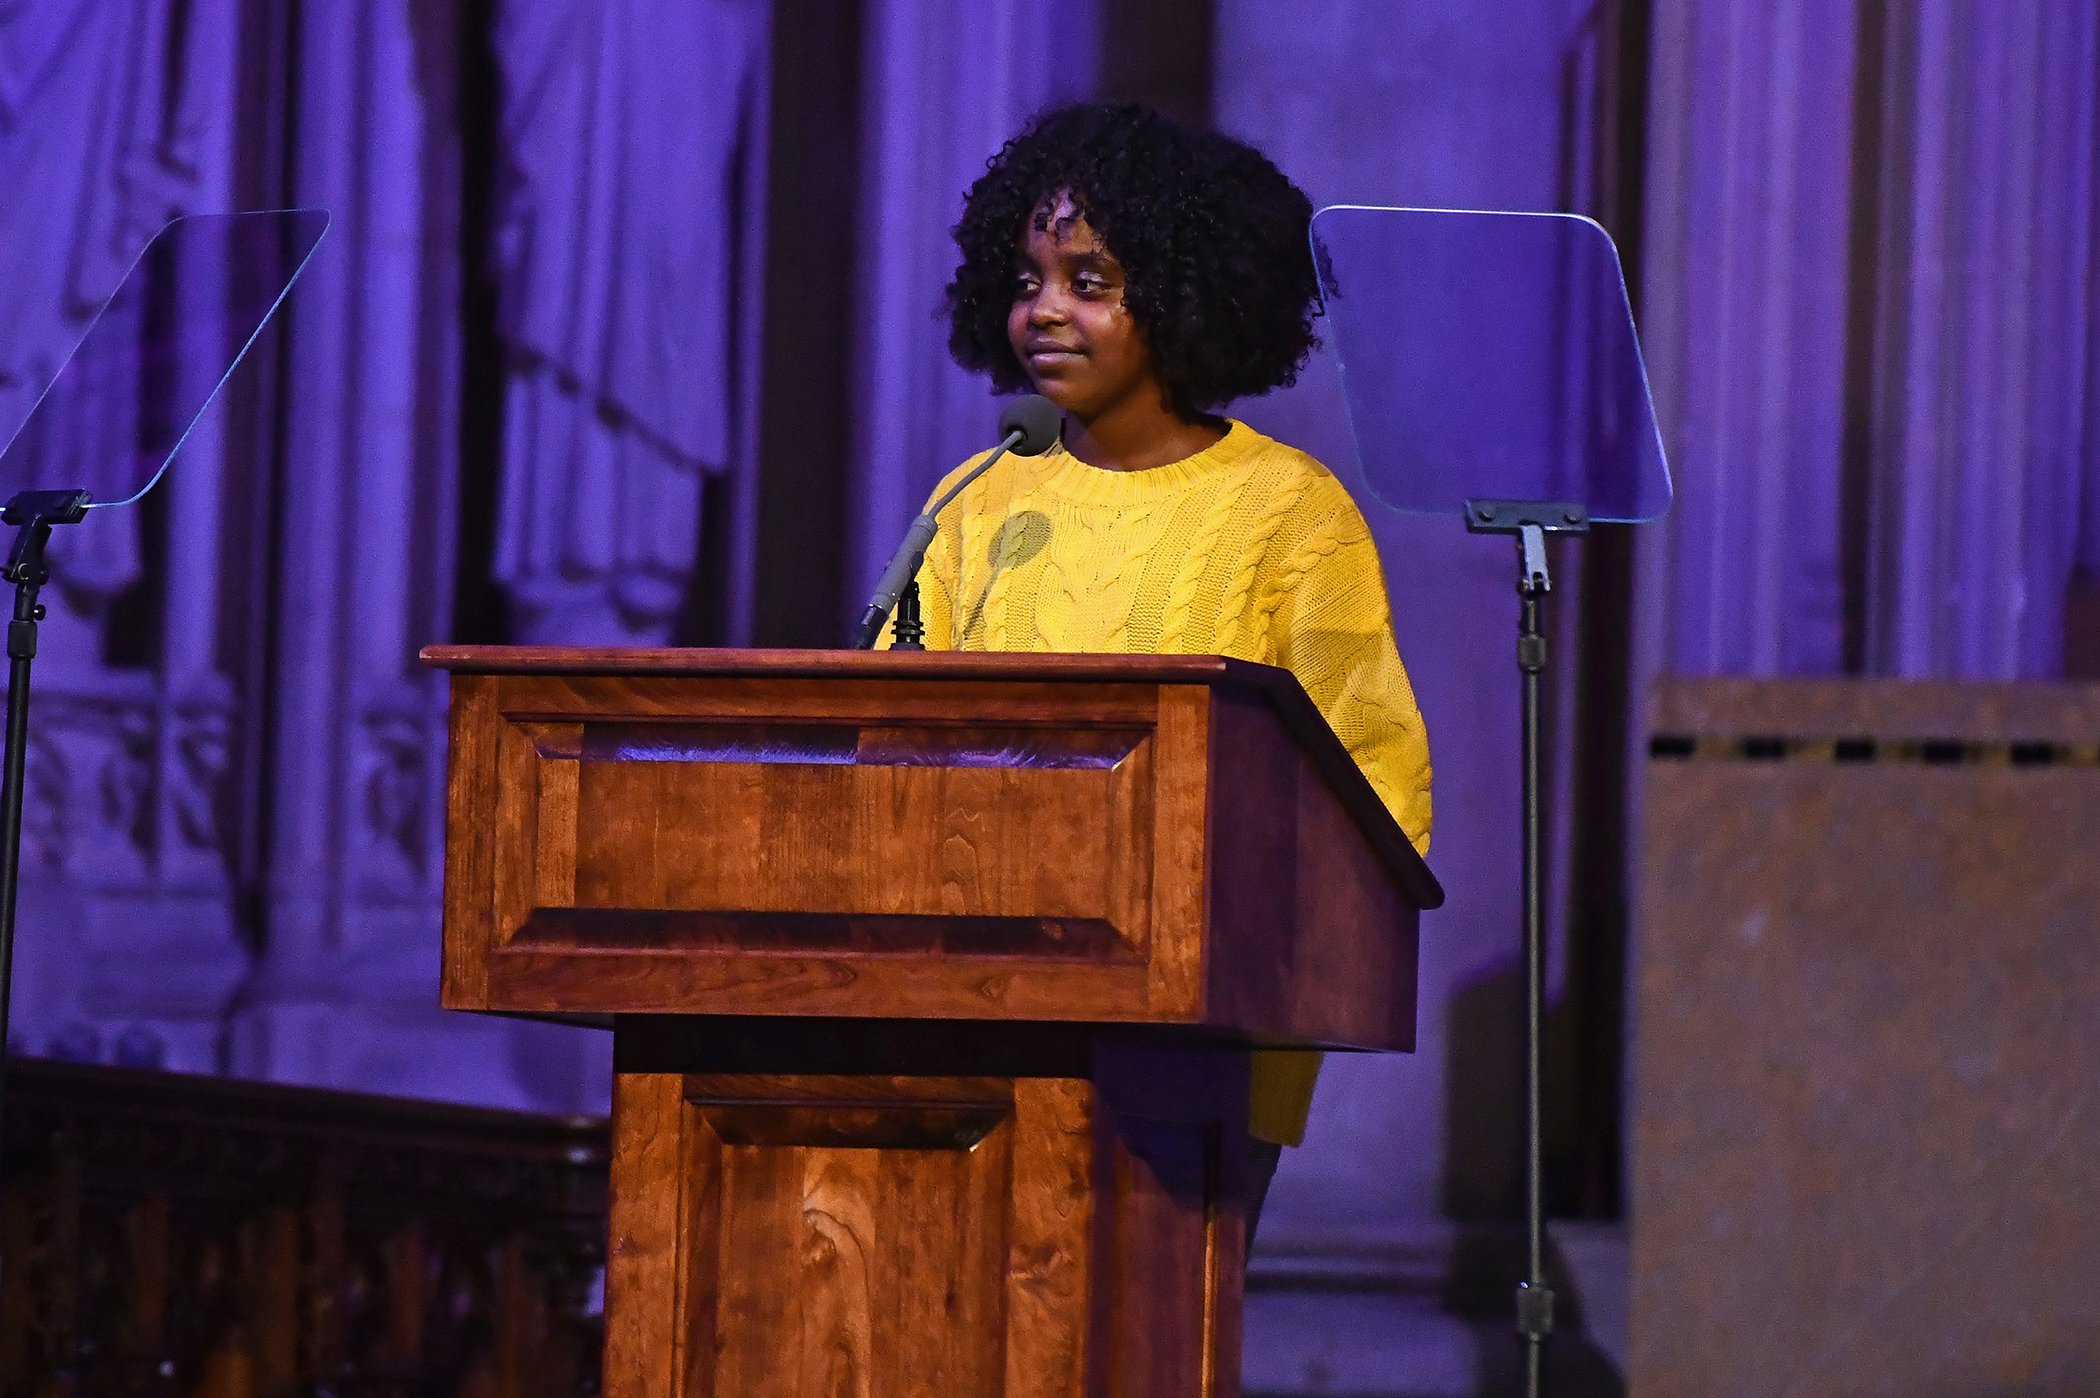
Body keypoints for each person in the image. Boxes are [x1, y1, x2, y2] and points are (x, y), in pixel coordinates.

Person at [910, 101, 1432, 1236]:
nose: (1044, 310)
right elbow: (894, 740)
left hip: (1202, 1040)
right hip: (974, 1019)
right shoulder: (973, 502)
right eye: (1028, 277)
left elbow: (1371, 787)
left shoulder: (1289, 513)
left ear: (1186, 295)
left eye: (1088, 280)